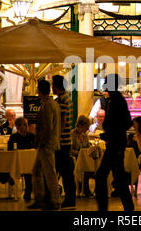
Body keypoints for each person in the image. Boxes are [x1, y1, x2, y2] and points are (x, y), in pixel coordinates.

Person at [95, 74, 134, 212]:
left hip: (115, 145)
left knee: (103, 177)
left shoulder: (116, 101)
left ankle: (104, 208)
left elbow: (124, 122)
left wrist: (110, 131)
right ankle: (128, 207)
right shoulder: (115, 100)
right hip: (115, 144)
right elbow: (127, 121)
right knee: (118, 179)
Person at [28, 79, 61, 210]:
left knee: (49, 173)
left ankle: (54, 200)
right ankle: (40, 198)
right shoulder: (54, 104)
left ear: (39, 90)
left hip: (46, 145)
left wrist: (39, 141)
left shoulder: (47, 106)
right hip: (50, 143)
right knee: (37, 171)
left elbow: (47, 127)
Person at [52, 74, 76, 209]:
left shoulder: (62, 100)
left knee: (64, 171)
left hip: (62, 141)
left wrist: (56, 137)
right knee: (67, 171)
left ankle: (69, 199)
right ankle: (69, 197)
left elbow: (62, 121)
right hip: (67, 141)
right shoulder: (68, 98)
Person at [7, 117, 36, 201]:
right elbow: (10, 150)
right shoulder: (13, 137)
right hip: (16, 162)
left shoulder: (32, 136)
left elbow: (35, 147)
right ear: (17, 126)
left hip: (29, 162)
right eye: (23, 125)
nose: (25, 127)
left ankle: (28, 193)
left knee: (29, 172)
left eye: (26, 125)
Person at [70, 114, 94, 197]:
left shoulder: (85, 136)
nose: (87, 129)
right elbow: (70, 150)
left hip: (85, 160)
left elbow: (87, 147)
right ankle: (85, 189)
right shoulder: (72, 134)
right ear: (81, 125)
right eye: (86, 126)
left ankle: (86, 189)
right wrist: (79, 153)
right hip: (75, 160)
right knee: (85, 168)